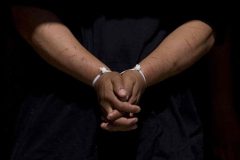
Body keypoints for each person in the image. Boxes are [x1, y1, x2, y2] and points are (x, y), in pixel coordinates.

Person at [10, 1, 218, 160]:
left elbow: (206, 24)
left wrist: (143, 74)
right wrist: (97, 75)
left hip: (164, 121)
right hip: (61, 119)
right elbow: (27, 12)